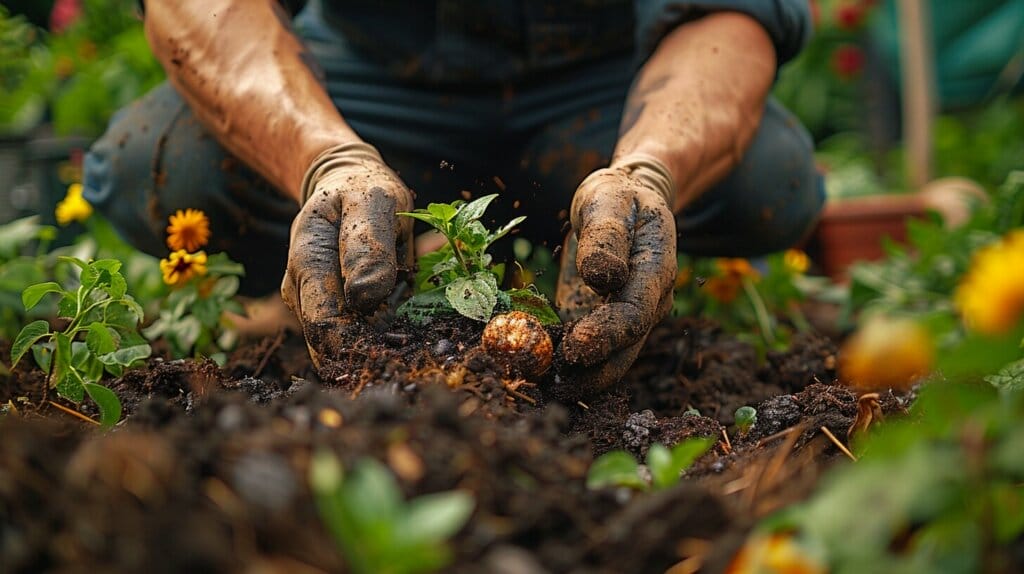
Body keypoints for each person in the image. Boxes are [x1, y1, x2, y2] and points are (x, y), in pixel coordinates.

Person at [82, 0, 823, 393]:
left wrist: (649, 171)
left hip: (604, 88)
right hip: (371, 82)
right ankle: (337, 274)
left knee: (769, 180)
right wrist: (326, 158)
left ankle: (611, 250)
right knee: (159, 168)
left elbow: (730, 14)